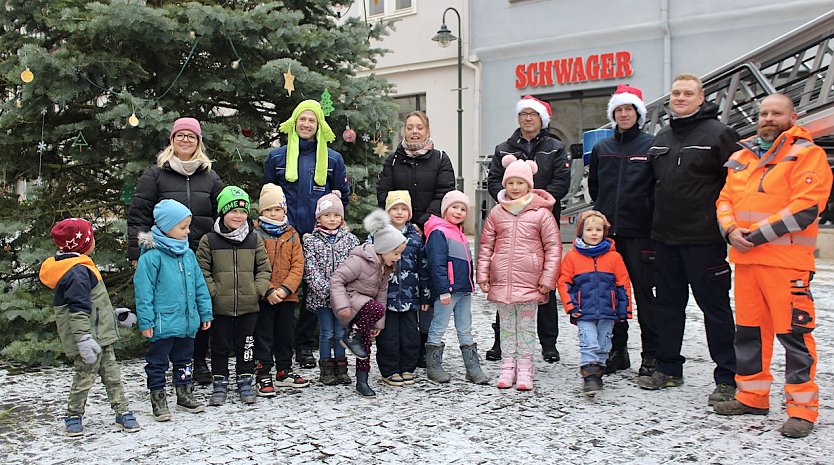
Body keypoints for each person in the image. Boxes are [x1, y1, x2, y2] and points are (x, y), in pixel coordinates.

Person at [712, 93, 833, 439]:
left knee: (794, 336)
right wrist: (730, 231)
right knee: (749, 334)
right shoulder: (741, 157)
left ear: (792, 116)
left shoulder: (807, 155)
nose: (768, 118)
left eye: (776, 113)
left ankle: (802, 410)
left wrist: (755, 235)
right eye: (763, 112)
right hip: (747, 261)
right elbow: (724, 200)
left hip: (786, 265)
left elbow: (806, 208)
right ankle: (752, 396)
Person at [638, 74, 739, 407]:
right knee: (667, 306)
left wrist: (728, 226)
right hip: (665, 240)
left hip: (704, 239)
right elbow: (650, 187)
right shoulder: (662, 137)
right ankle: (669, 368)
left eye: (687, 93)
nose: (680, 98)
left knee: (715, 309)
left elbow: (736, 186)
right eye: (676, 93)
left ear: (701, 97)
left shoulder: (719, 135)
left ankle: (727, 377)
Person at [127, 117, 224, 385]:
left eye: (191, 136)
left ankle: (197, 361)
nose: (185, 140)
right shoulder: (156, 174)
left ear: (198, 142)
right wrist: (137, 252)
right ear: (172, 140)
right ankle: (163, 363)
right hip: (164, 255)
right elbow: (139, 215)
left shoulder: (210, 176)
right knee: (168, 307)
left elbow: (223, 213)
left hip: (200, 253)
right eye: (180, 135)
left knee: (197, 306)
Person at [264, 100, 351, 370]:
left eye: (312, 120)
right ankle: (283, 347)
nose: (306, 124)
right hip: (285, 236)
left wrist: (330, 224)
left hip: (318, 237)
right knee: (286, 293)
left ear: (319, 125)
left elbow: (341, 197)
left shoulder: (333, 159)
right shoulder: (277, 157)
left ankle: (304, 346)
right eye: (302, 119)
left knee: (315, 291)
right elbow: (269, 194)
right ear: (294, 122)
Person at [486, 95, 570, 364]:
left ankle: (548, 343)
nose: (528, 118)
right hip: (509, 225)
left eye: (533, 114)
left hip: (541, 223)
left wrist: (536, 203)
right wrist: (509, 201)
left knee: (544, 284)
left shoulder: (555, 147)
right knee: (507, 285)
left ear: (541, 119)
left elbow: (562, 182)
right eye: (524, 114)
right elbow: (494, 181)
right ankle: (501, 342)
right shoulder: (503, 148)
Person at [39, 218, 140, 436]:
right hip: (89, 340)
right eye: (91, 237)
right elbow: (78, 310)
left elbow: (94, 304)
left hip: (101, 336)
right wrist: (83, 338)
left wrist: (115, 315)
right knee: (84, 378)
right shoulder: (77, 272)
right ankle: (73, 415)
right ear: (83, 243)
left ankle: (122, 411)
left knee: (112, 376)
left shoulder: (82, 267)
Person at [376, 110, 455, 368]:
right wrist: (403, 222)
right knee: (401, 283)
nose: (414, 131)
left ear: (428, 130)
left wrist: (421, 222)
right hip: (398, 230)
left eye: (419, 127)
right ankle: (401, 343)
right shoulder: (393, 160)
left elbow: (445, 193)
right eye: (410, 127)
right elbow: (383, 192)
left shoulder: (440, 159)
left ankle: (424, 344)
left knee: (426, 282)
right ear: (404, 131)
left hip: (431, 230)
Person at [588, 84, 657, 376]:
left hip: (641, 234)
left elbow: (656, 190)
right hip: (609, 235)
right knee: (612, 295)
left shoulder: (651, 146)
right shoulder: (603, 148)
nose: (624, 114)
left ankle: (651, 354)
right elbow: (595, 188)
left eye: (629, 109)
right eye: (619, 110)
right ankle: (618, 350)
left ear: (638, 113)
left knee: (644, 295)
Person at [477, 156, 561, 391]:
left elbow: (553, 247)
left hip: (530, 282)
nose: (515, 188)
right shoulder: (497, 213)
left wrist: (547, 278)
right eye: (510, 183)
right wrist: (483, 275)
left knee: (525, 328)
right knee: (506, 327)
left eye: (520, 183)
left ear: (529, 185)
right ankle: (507, 368)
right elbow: (486, 246)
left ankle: (525, 370)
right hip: (502, 281)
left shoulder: (541, 214)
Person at [134, 199, 212, 421]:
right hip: (162, 322)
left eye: (188, 226)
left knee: (184, 359)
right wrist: (146, 321)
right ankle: (158, 399)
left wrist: (205, 312)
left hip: (187, 322)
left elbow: (200, 285)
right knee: (157, 362)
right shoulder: (152, 257)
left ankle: (184, 394)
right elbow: (144, 292)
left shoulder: (187, 254)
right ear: (166, 227)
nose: (187, 231)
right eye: (183, 227)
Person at [197, 186, 273, 406]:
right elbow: (202, 270)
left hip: (249, 305)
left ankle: (245, 379)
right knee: (220, 344)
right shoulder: (209, 240)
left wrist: (257, 289)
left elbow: (264, 268)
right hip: (220, 306)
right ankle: (220, 380)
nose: (238, 216)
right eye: (233, 211)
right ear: (222, 212)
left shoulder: (253, 239)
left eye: (242, 212)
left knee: (247, 344)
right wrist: (214, 292)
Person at [331, 210, 407, 396]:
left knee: (364, 346)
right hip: (348, 303)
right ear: (383, 248)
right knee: (375, 308)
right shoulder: (359, 261)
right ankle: (351, 336)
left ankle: (362, 381)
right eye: (396, 253)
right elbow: (337, 279)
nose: (398, 257)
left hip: (364, 312)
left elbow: (381, 293)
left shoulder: (385, 267)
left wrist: (378, 323)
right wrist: (342, 306)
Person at [558, 211, 632, 396]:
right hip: (583, 311)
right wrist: (571, 306)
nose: (593, 233)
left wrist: (624, 310)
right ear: (581, 231)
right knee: (589, 343)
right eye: (589, 229)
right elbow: (564, 283)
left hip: (608, 311)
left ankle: (597, 371)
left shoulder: (614, 258)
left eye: (598, 229)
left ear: (604, 232)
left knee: (603, 344)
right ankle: (590, 376)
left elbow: (623, 284)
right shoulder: (573, 257)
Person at [424, 190, 489, 385]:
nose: (459, 212)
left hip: (463, 289)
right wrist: (443, 289)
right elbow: (437, 263)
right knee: (439, 326)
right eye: (454, 207)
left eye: (463, 209)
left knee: (465, 327)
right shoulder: (438, 231)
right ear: (445, 209)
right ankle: (433, 366)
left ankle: (472, 367)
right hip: (448, 290)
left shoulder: (458, 232)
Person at [252, 183, 309, 396]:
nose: (273, 213)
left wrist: (285, 289)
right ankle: (263, 371)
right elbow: (253, 265)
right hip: (265, 297)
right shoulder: (255, 233)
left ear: (284, 210)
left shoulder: (292, 234)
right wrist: (268, 290)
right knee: (264, 335)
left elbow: (298, 265)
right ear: (261, 211)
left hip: (287, 296)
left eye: (277, 209)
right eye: (268, 210)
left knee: (285, 334)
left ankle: (284, 369)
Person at [371, 191, 431, 387]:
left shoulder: (415, 238)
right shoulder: (377, 234)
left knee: (410, 336)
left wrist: (425, 297)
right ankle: (389, 370)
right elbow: (369, 263)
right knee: (388, 336)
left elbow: (423, 268)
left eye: (403, 209)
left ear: (409, 213)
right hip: (385, 297)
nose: (398, 213)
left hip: (409, 297)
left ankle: (407, 367)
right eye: (394, 209)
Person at [302, 191, 360, 386]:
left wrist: (345, 292)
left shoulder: (350, 240)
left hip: (344, 297)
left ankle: (341, 367)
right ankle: (326, 367)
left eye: (336, 215)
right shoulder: (311, 241)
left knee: (341, 332)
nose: (332, 219)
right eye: (327, 215)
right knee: (327, 332)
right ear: (319, 217)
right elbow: (310, 269)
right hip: (323, 297)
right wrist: (326, 291)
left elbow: (356, 266)